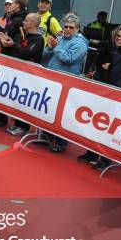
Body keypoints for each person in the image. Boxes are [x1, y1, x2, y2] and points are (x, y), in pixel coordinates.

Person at [78, 24, 121, 170]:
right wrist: (102, 69)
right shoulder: (113, 50)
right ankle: (91, 154)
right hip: (103, 92)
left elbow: (113, 76)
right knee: (96, 124)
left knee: (108, 129)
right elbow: (99, 70)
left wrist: (105, 69)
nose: (119, 38)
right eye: (118, 35)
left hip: (114, 95)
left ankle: (105, 160)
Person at [41, 13, 89, 152]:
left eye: (71, 27)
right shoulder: (61, 38)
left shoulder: (80, 43)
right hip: (53, 79)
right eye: (66, 26)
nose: (67, 29)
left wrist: (56, 47)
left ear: (77, 29)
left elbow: (70, 58)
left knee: (63, 113)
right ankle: (47, 137)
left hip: (67, 83)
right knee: (49, 109)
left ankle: (61, 143)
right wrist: (50, 47)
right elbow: (45, 55)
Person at [0, 12, 44, 137]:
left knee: (25, 102)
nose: (23, 22)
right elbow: (13, 51)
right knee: (17, 100)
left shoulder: (38, 39)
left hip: (30, 77)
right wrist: (5, 43)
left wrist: (14, 45)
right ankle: (17, 122)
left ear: (33, 23)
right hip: (17, 74)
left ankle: (23, 126)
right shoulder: (22, 35)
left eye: (27, 20)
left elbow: (26, 54)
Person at [0, 0, 29, 128]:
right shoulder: (13, 18)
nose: (10, 5)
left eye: (13, 3)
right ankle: (1, 116)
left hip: (13, 58)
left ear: (18, 5)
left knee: (12, 89)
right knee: (4, 87)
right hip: (8, 56)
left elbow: (4, 37)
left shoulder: (17, 20)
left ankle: (14, 122)